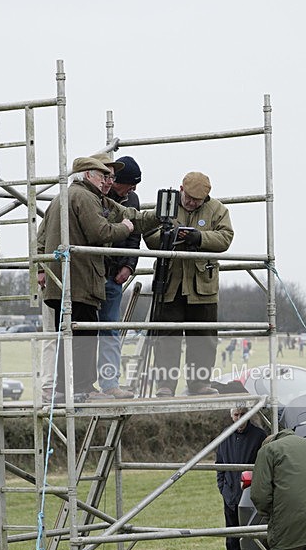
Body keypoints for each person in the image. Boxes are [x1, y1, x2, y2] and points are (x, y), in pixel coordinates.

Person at [37, 156, 159, 403]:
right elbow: (99, 232)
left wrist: (41, 268)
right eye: (104, 176)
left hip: (61, 281)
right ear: (88, 175)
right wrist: (125, 228)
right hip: (80, 281)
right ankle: (82, 388)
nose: (108, 181)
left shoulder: (63, 197)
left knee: (68, 337)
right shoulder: (85, 198)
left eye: (110, 177)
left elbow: (40, 237)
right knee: (84, 337)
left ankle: (63, 389)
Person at [144, 171, 234, 397]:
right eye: (189, 198)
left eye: (197, 200)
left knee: (203, 338)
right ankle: (165, 385)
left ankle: (199, 384)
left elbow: (225, 238)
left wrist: (199, 238)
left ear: (206, 198)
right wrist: (172, 236)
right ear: (180, 190)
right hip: (170, 284)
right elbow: (149, 234)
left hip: (202, 286)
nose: (192, 203)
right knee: (166, 338)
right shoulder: (166, 206)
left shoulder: (218, 210)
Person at [92, 155, 142, 399]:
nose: (133, 190)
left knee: (110, 330)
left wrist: (129, 265)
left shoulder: (131, 199)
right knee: (87, 330)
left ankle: (110, 383)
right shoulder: (95, 196)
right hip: (90, 273)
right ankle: (84, 386)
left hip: (114, 275)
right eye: (130, 184)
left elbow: (135, 235)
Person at [216, 407, 267, 550]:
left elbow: (264, 465)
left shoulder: (259, 436)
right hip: (230, 496)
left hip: (250, 496)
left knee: (252, 538)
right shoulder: (225, 436)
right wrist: (223, 488)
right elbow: (220, 465)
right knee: (232, 540)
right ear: (231, 416)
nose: (239, 418)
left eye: (242, 414)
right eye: (236, 415)